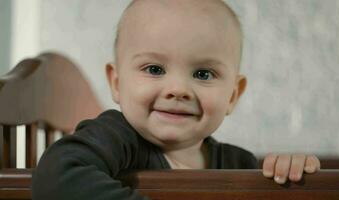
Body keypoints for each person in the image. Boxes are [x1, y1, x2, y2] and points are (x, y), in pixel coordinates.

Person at [32, 0, 321, 199]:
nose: (178, 89)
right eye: (155, 69)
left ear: (233, 95)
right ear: (117, 83)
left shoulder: (240, 165)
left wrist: (290, 174)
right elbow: (57, 175)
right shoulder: (115, 137)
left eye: (204, 74)